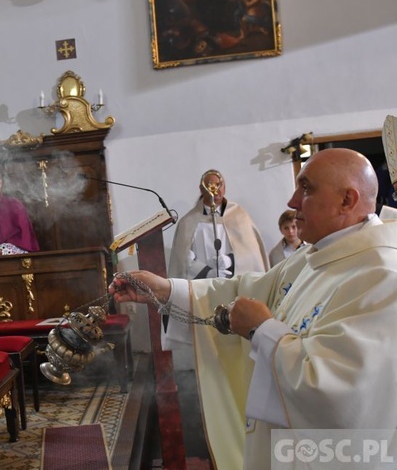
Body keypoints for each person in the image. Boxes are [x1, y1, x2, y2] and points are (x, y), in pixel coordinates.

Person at [110, 148, 397, 470]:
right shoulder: (316, 255)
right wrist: (168, 289)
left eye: (306, 188)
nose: (292, 201)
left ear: (347, 200)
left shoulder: (383, 276)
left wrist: (262, 330)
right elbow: (246, 289)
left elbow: (339, 392)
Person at [168, 169, 268, 280]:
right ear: (201, 189)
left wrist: (230, 260)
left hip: (234, 282)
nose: (214, 190)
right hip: (202, 284)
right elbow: (183, 259)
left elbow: (251, 252)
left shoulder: (239, 215)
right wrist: (207, 272)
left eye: (218, 185)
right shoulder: (188, 222)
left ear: (224, 188)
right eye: (209, 185)